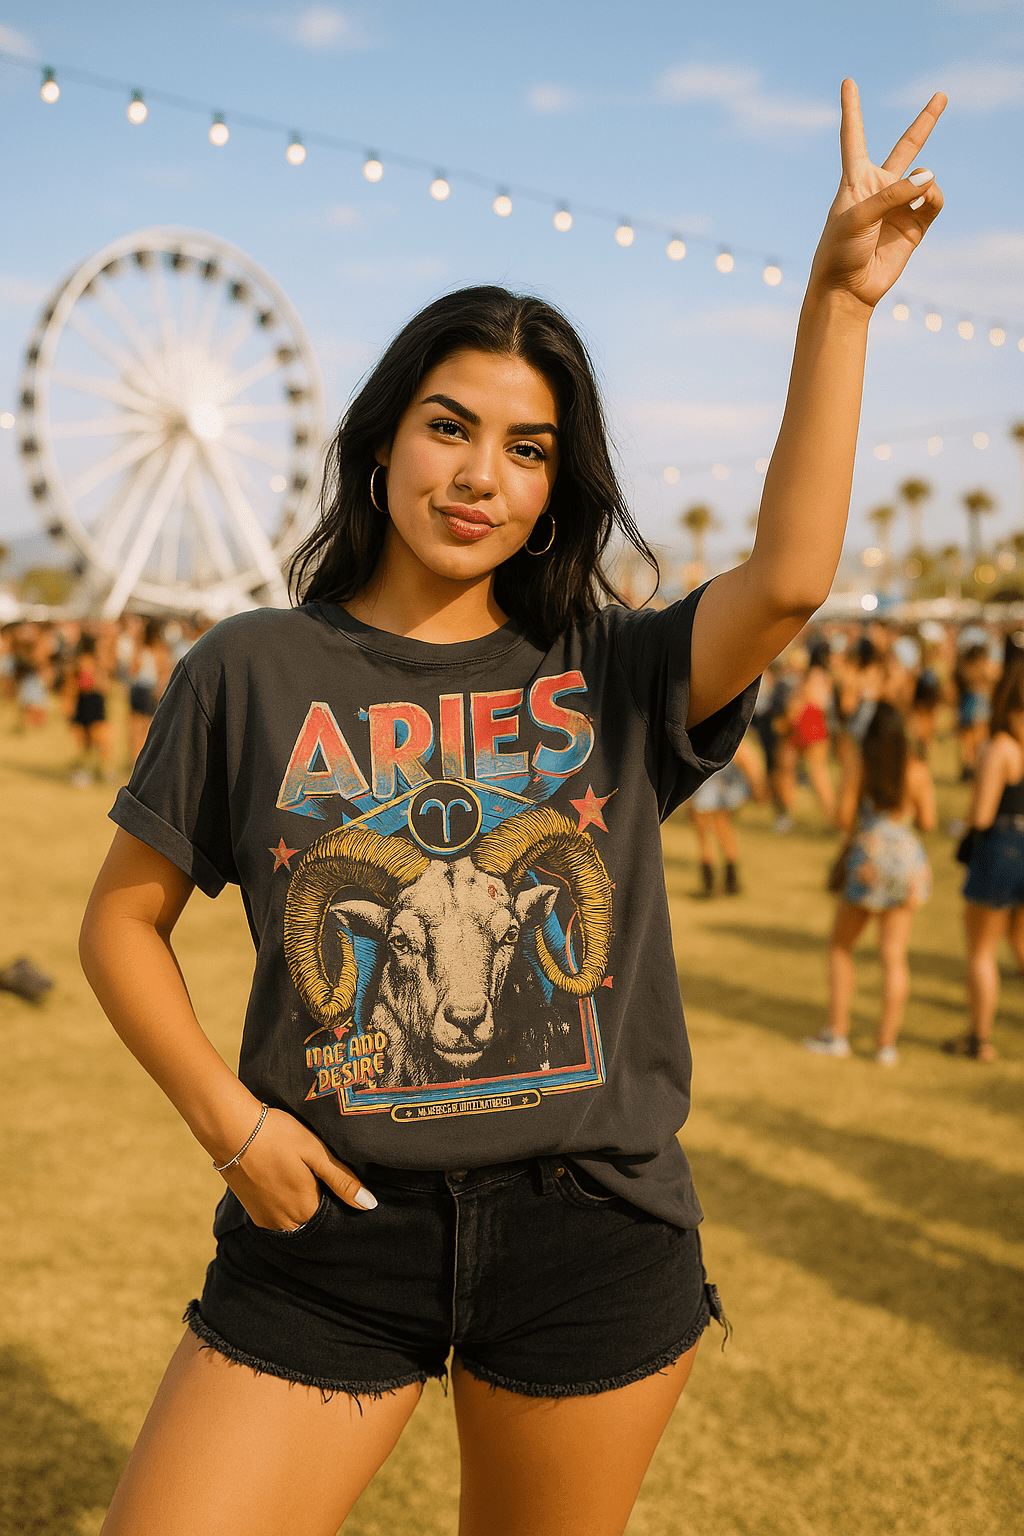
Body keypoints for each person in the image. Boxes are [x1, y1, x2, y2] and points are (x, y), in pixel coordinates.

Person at [79, 81, 945, 1536]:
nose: (482, 476)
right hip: (330, 1229)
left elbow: (790, 579)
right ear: (381, 440)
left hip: (585, 1232)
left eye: (529, 448)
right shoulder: (250, 668)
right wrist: (230, 1125)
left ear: (556, 486)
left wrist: (839, 305)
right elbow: (117, 923)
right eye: (449, 427)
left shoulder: (615, 665)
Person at [805, 701, 935, 1065]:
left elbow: (843, 817)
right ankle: (886, 1045)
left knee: (841, 946)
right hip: (907, 859)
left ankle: (838, 1033)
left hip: (870, 856)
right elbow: (928, 820)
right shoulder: (918, 768)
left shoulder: (860, 762)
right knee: (894, 956)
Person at [951, 663, 1024, 1062]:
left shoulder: (1003, 748)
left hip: (1002, 848)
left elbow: (981, 816)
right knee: (1019, 940)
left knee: (981, 952)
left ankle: (980, 1039)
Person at [688, 736, 766, 895]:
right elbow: (748, 760)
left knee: (704, 834)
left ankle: (710, 882)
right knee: (723, 829)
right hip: (723, 788)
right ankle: (730, 880)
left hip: (707, 787)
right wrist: (756, 785)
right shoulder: (731, 734)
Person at [65, 632, 112, 785]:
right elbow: (104, 686)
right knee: (96, 740)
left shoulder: (80, 661)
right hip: (92, 701)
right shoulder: (91, 661)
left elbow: (72, 686)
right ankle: (95, 771)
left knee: (90, 741)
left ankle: (93, 771)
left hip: (88, 701)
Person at [128, 618, 170, 767]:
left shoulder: (141, 648)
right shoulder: (160, 649)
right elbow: (164, 672)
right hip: (149, 690)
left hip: (139, 688)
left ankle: (136, 761)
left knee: (136, 728)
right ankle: (141, 762)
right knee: (145, 728)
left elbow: (133, 669)